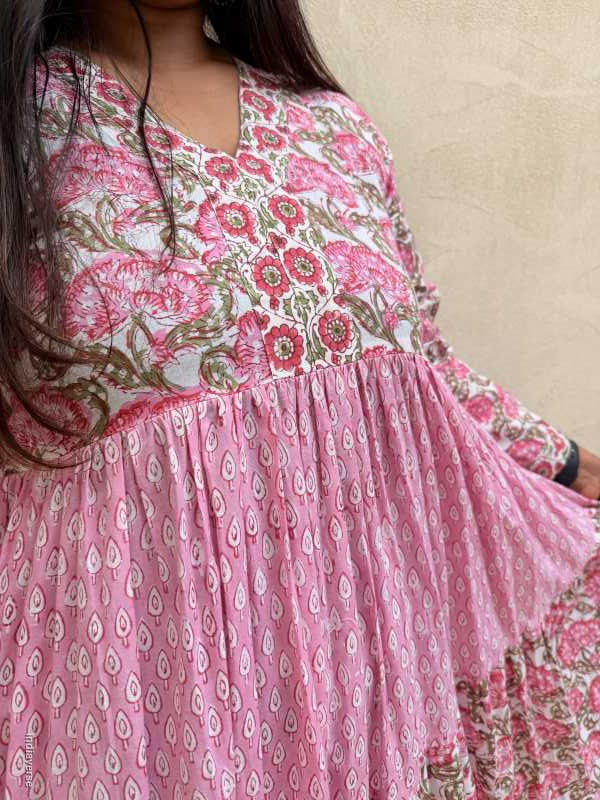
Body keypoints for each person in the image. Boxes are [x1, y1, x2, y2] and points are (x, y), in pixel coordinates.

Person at [0, 1, 599, 797]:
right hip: (136, 688)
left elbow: (423, 364)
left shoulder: (336, 127)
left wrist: (569, 465)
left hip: (361, 662)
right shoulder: (22, 130)